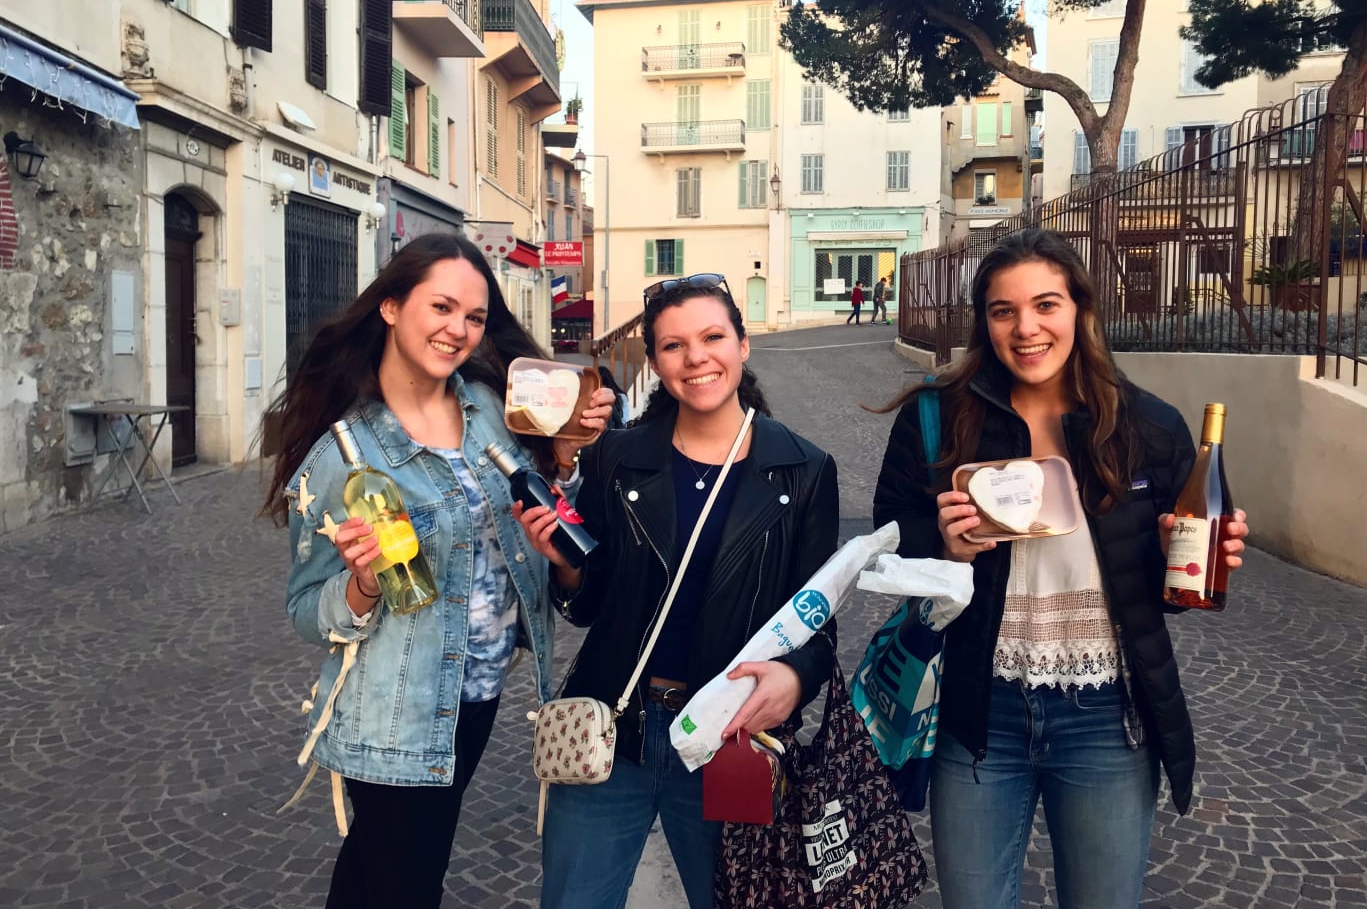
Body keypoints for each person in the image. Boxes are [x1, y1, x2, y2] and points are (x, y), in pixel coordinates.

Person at [871, 229, 1249, 909]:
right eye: (1002, 310)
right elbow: (890, 550)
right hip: (977, 711)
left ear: (1078, 309)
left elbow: (1164, 593)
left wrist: (1187, 565)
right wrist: (945, 548)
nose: (1026, 328)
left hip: (1106, 716)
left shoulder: (1145, 426)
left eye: (1046, 305)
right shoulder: (937, 418)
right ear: (983, 323)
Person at [262, 233, 614, 909]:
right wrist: (363, 584)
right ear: (391, 307)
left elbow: (529, 506)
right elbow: (306, 609)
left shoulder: (489, 411)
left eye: (474, 318)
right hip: (396, 705)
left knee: (376, 870)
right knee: (407, 882)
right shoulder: (347, 453)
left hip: (476, 695)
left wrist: (565, 453)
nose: (457, 330)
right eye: (441, 307)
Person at [516, 272, 840, 909]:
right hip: (614, 729)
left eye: (713, 336)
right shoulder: (617, 458)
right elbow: (589, 604)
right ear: (656, 361)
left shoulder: (804, 469)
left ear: (742, 346)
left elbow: (817, 621)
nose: (696, 358)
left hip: (729, 739)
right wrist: (565, 564)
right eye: (673, 346)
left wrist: (796, 680)